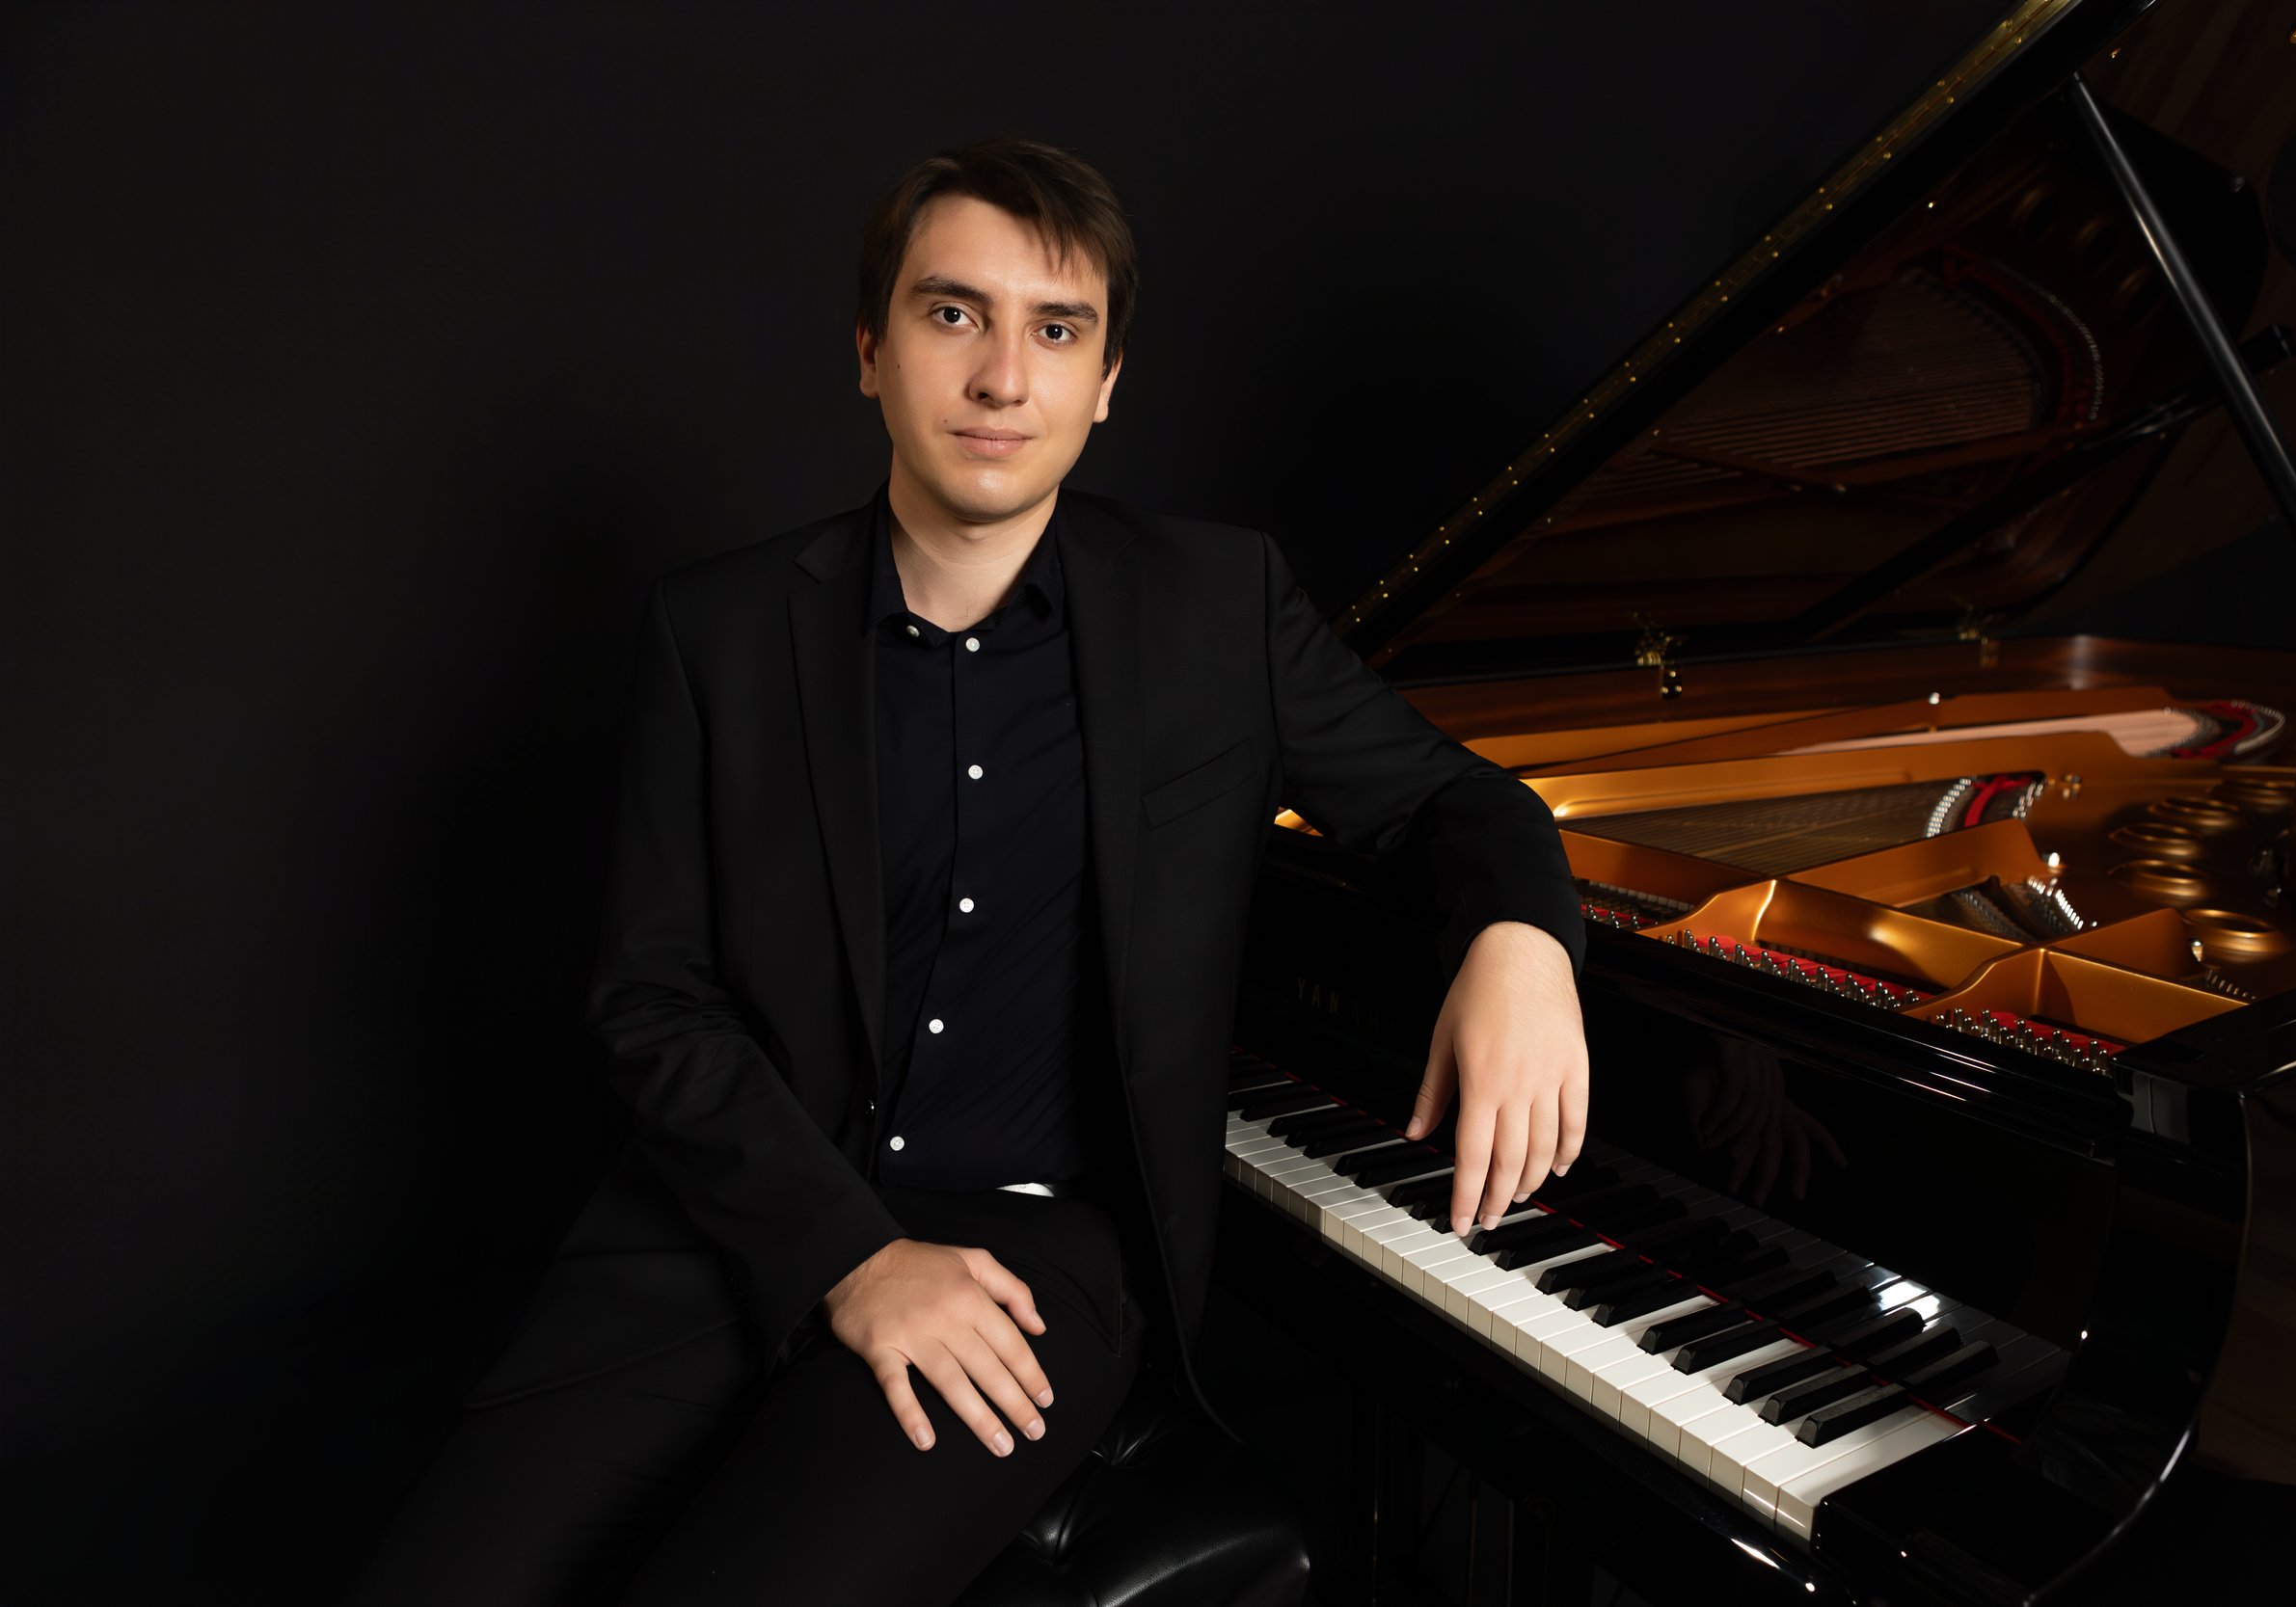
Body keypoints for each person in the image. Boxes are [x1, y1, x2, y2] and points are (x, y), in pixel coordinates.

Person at [345, 133, 1590, 1607]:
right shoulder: (724, 630)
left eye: (1054, 330)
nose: (1004, 377)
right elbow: (650, 999)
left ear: (1108, 378)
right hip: (727, 1222)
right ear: (871, 353)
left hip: (1034, 1255)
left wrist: (1523, 938)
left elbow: (1462, 802)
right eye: (955, 315)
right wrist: (850, 1257)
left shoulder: (1219, 607)